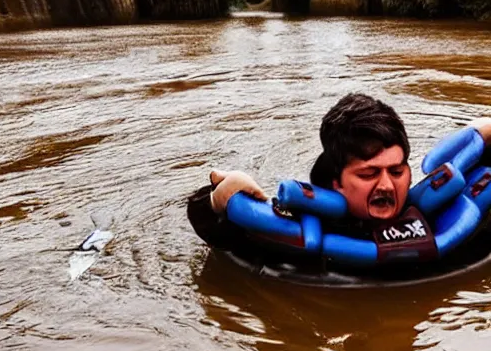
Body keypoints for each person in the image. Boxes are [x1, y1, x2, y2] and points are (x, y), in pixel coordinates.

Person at [188, 93, 491, 264]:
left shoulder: (442, 211)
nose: (387, 186)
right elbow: (216, 232)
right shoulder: (306, 231)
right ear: (336, 183)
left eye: (397, 172)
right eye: (369, 174)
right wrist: (220, 197)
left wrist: (482, 132)